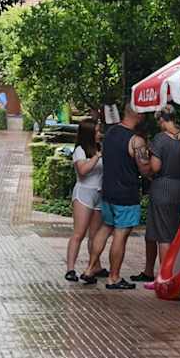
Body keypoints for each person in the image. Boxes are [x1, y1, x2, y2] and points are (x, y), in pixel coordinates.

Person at [83, 103, 145, 289]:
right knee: (121, 234)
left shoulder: (110, 133)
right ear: (139, 115)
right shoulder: (136, 140)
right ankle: (114, 277)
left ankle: (89, 269)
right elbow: (145, 168)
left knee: (105, 228)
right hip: (126, 194)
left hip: (108, 191)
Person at [141, 105, 180, 286]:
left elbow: (155, 167)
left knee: (163, 236)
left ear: (162, 120)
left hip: (162, 188)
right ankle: (174, 272)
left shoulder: (160, 139)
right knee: (174, 233)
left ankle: (164, 278)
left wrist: (147, 166)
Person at [65, 119, 108, 282]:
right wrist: (97, 156)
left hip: (99, 194)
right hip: (84, 193)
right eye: (96, 131)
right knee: (79, 233)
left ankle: (94, 266)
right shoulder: (80, 150)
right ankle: (70, 269)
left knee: (95, 234)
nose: (99, 134)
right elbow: (83, 170)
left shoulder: (99, 147)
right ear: (89, 133)